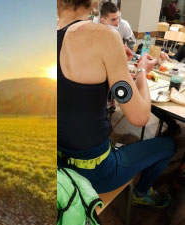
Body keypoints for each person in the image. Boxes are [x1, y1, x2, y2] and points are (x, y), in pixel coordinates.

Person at [57, 0, 176, 209]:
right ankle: (141, 192)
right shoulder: (104, 35)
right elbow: (140, 117)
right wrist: (141, 70)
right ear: (94, 2)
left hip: (57, 163)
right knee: (169, 145)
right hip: (94, 172)